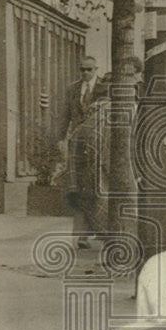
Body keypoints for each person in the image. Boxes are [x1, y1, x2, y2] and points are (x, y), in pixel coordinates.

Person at [62, 56, 109, 249]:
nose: (85, 73)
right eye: (82, 69)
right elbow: (65, 114)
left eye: (89, 69)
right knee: (79, 189)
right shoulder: (72, 89)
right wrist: (61, 137)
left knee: (97, 188)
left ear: (95, 69)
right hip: (78, 145)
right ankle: (82, 235)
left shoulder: (104, 88)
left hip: (98, 144)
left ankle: (99, 230)